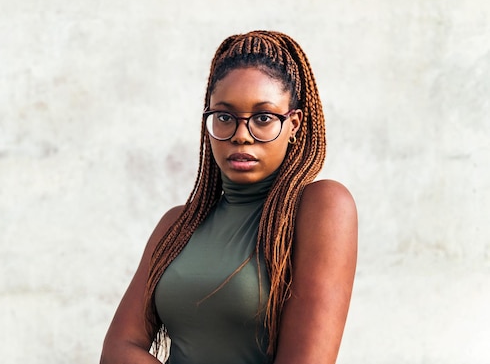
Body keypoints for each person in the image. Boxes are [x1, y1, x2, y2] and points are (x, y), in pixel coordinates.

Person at [100, 30, 358, 364]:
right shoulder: (177, 225)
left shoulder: (322, 207)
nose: (240, 135)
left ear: (294, 123)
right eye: (225, 117)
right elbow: (119, 349)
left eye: (263, 118)